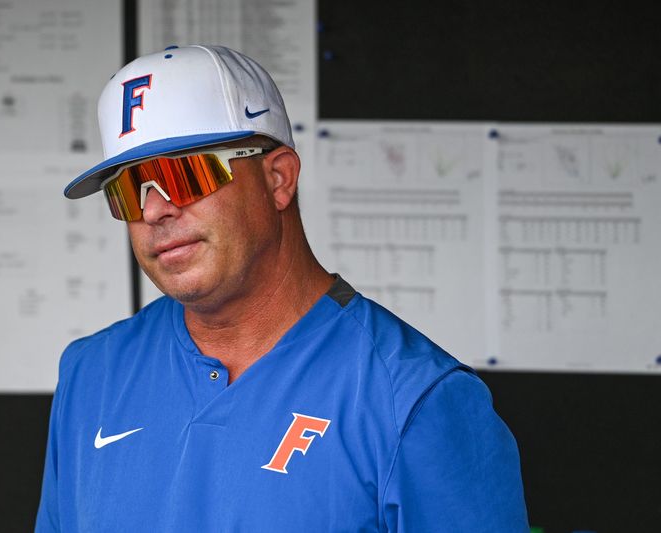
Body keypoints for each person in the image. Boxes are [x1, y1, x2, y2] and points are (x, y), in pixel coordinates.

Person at [36, 44, 528, 532]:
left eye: (182, 174)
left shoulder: (416, 400)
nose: (154, 210)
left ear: (278, 178)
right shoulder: (91, 375)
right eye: (127, 189)